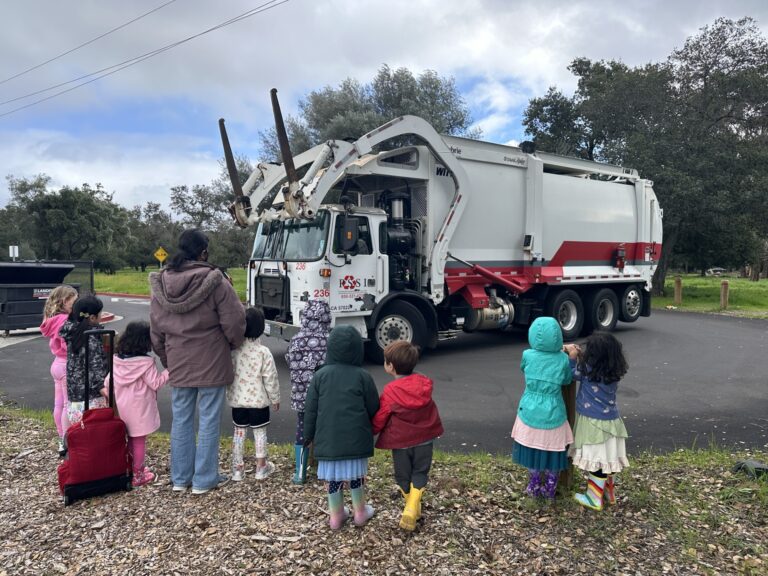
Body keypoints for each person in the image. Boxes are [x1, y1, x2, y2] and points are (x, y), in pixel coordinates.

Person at [150, 228, 246, 495]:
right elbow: (235, 322)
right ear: (204, 252)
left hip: (179, 362)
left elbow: (156, 331)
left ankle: (180, 478)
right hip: (212, 360)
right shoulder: (216, 282)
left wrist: (168, 358)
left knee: (180, 419)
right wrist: (231, 344)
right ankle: (204, 479)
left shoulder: (160, 285)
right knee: (208, 420)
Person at [303, 325, 380, 529]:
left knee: (333, 478)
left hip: (328, 440)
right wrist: (373, 427)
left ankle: (336, 515)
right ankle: (360, 512)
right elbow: (374, 406)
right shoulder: (363, 376)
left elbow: (310, 410)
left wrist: (307, 436)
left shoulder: (320, 376)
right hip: (356, 439)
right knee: (356, 476)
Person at [372, 341, 443, 531]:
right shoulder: (424, 385)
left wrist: (371, 430)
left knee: (403, 477)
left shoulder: (391, 391)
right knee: (420, 473)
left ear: (391, 366)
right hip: (425, 440)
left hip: (401, 442)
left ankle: (411, 507)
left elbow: (381, 416)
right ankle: (414, 509)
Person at [564, 331, 630, 510]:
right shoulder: (614, 372)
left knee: (597, 461)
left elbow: (570, 374)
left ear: (593, 356)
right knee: (609, 459)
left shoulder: (587, 372)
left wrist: (572, 357)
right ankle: (609, 493)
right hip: (612, 422)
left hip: (593, 423)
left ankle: (594, 498)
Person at [510, 316, 574, 499]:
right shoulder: (562, 359)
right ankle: (551, 487)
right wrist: (569, 357)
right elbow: (567, 379)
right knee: (553, 448)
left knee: (532, 447)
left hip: (529, 408)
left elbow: (524, 368)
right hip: (554, 410)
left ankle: (534, 484)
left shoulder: (527, 355)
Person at [110, 320, 169, 488]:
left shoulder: (117, 359)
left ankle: (128, 467)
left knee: (128, 438)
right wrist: (169, 371)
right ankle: (138, 473)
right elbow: (156, 383)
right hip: (140, 408)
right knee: (138, 440)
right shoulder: (145, 362)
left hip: (122, 406)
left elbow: (109, 381)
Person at [227, 307, 280, 482]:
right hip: (259, 402)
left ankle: (237, 469)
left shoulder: (234, 351)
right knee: (260, 433)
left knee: (239, 433)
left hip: (238, 401)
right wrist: (275, 398)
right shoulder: (263, 352)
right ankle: (261, 467)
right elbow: (270, 377)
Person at [285, 299, 331, 484]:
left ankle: (300, 471)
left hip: (301, 395)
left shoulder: (295, 340)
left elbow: (289, 361)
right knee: (325, 430)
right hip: (323, 398)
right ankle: (325, 471)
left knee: (302, 430)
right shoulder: (328, 341)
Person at [39, 284, 78, 455]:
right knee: (68, 405)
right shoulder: (64, 320)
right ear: (65, 301)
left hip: (56, 364)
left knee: (59, 404)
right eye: (74, 301)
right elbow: (67, 344)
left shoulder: (52, 319)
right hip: (67, 364)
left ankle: (60, 436)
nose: (76, 304)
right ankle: (66, 440)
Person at [59, 295, 108, 427]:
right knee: (94, 436)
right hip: (91, 397)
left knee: (81, 435)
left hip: (75, 397)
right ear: (92, 317)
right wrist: (102, 387)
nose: (101, 316)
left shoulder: (72, 333)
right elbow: (94, 364)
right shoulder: (90, 338)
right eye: (100, 313)